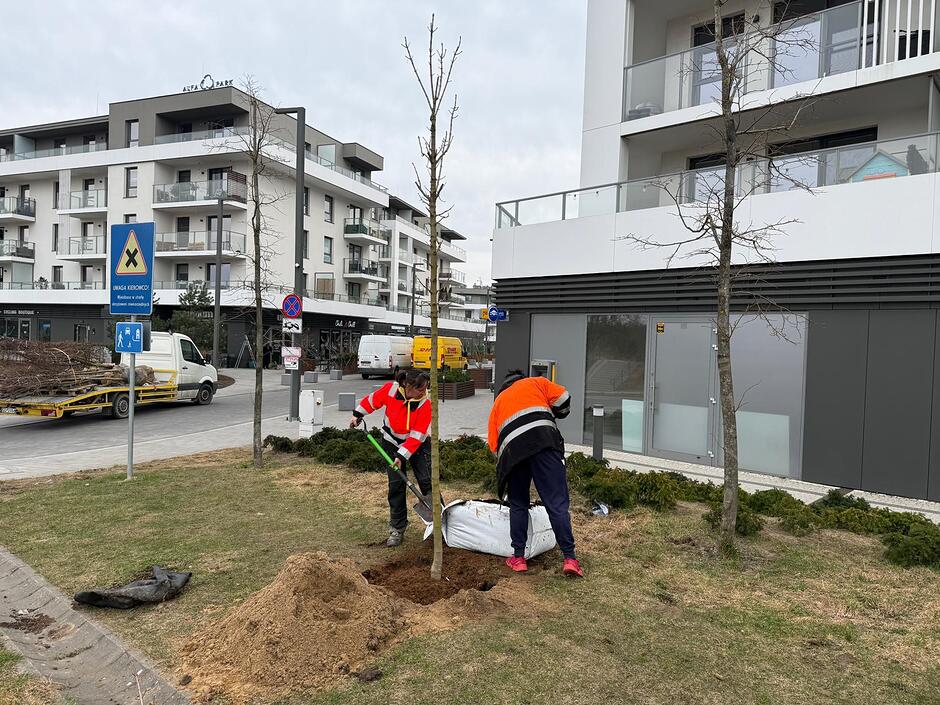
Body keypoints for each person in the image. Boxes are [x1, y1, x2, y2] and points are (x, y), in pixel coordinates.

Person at [488, 369, 583, 577]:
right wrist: (558, 413)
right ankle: (570, 559)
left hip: (513, 454)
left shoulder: (498, 403)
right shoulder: (536, 382)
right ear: (521, 379)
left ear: (504, 386)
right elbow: (563, 398)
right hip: (544, 443)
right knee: (556, 503)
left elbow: (494, 445)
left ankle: (519, 558)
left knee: (518, 503)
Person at [350, 369, 432, 547]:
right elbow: (372, 401)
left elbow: (417, 435)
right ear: (408, 386)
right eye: (420, 389)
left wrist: (402, 456)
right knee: (396, 486)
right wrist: (358, 414)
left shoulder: (426, 403)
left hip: (418, 445)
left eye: (426, 388)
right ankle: (397, 528)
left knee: (427, 482)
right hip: (390, 442)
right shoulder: (390, 389)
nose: (424, 392)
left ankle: (440, 523)